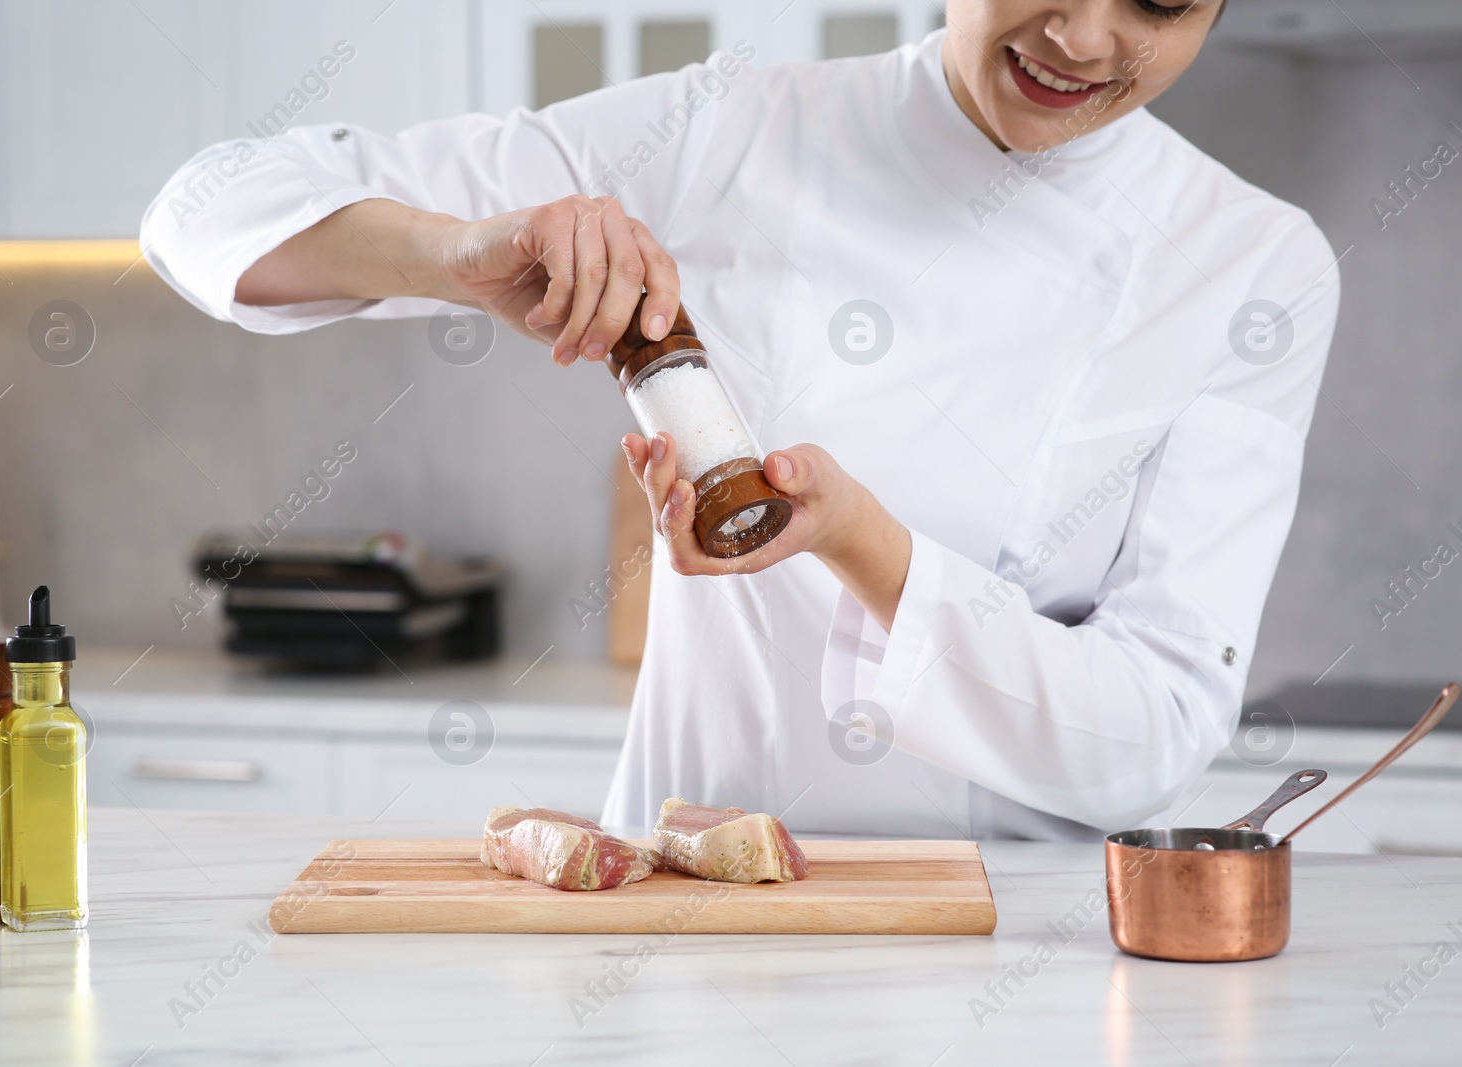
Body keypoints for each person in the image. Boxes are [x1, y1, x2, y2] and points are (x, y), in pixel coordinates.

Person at [142, 0, 1339, 840]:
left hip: (1016, 940)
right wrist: (452, 251)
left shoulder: (1249, 261)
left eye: (1158, 2)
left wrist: (861, 539)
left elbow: (1151, 740)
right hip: (687, 904)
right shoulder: (732, 130)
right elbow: (201, 214)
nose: (1081, 37)